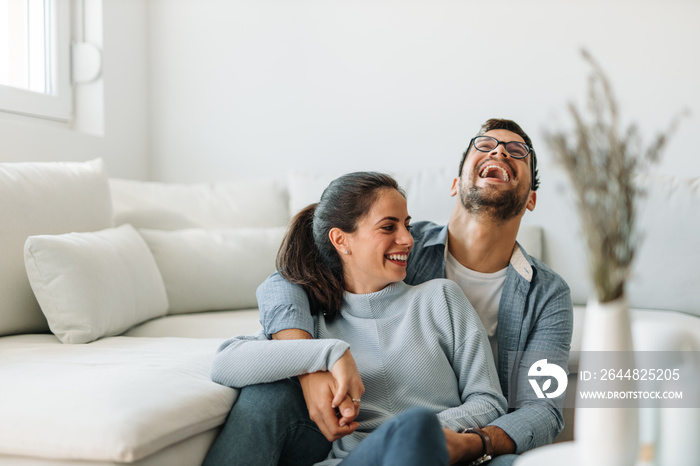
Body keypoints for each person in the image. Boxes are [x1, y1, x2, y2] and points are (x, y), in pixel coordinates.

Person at [207, 118, 574, 466]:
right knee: (265, 395)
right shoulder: (396, 255)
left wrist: (466, 441)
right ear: (454, 184)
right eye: (486, 145)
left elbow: (540, 408)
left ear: (531, 200)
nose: (499, 152)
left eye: (517, 150)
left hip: (470, 438)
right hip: (359, 449)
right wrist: (312, 362)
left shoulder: (543, 295)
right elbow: (287, 281)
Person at [204, 172, 507, 466]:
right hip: (357, 460)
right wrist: (329, 353)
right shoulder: (315, 321)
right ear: (340, 240)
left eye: (407, 225)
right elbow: (224, 363)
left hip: (439, 453)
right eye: (388, 227)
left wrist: (416, 433)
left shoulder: (441, 298)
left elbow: (488, 401)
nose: (407, 239)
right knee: (262, 394)